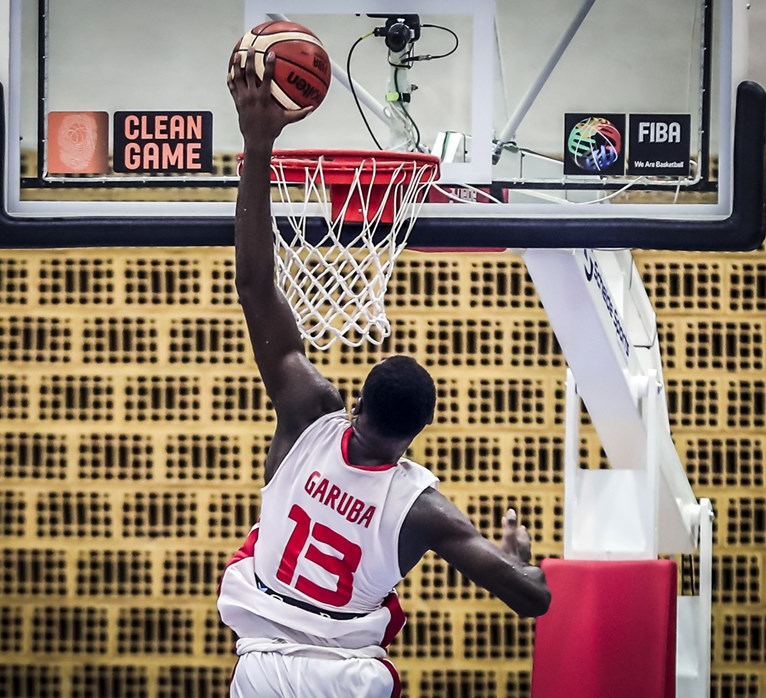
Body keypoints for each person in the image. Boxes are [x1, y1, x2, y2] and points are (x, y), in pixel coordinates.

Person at [218, 48, 551, 698]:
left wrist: (257, 144)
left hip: (259, 665)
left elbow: (256, 286)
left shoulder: (308, 414)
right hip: (345, 679)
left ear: (357, 404)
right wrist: (519, 560)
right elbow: (531, 601)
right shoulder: (422, 508)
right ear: (419, 434)